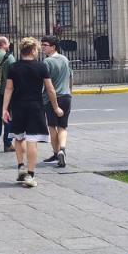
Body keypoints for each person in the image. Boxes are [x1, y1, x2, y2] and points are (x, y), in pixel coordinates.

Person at [1, 36, 64, 189]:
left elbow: (9, 89)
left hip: (18, 107)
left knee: (19, 137)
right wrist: (56, 107)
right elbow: (49, 89)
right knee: (32, 140)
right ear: (33, 50)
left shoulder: (14, 67)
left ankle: (20, 166)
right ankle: (30, 174)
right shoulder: (41, 67)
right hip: (35, 107)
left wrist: (4, 109)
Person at [41, 36, 73, 169]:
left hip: (51, 98)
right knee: (63, 126)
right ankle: (62, 149)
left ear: (53, 47)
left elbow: (46, 84)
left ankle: (56, 152)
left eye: (45, 45)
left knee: (52, 126)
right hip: (66, 96)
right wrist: (70, 92)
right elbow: (71, 77)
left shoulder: (46, 62)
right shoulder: (65, 59)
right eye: (42, 45)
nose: (42, 47)